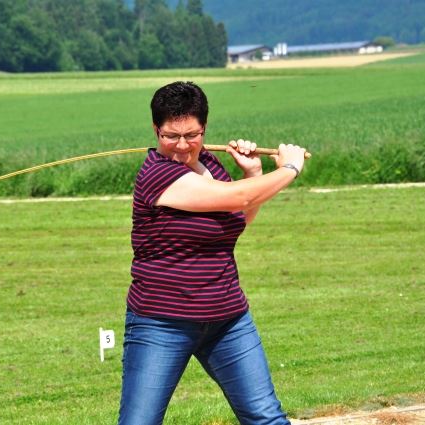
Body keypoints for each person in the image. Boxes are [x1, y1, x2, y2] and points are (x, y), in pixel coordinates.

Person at [118, 81, 306, 425]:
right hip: (162, 322)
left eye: (192, 135)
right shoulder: (157, 173)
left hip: (228, 319)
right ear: (156, 130)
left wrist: (252, 172)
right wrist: (288, 169)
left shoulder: (209, 165)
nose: (181, 146)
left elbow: (236, 220)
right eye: (170, 136)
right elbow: (240, 197)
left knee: (266, 418)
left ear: (204, 128)